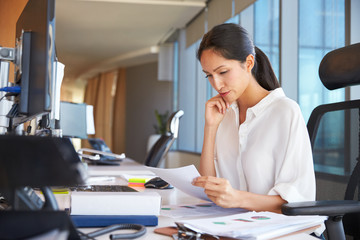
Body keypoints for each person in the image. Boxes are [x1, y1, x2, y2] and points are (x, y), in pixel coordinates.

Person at [192, 23, 316, 214]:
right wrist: (210, 127)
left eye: (223, 72)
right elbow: (207, 189)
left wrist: (237, 198)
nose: (216, 84)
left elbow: (297, 201)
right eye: (209, 75)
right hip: (235, 225)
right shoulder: (223, 114)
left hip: (278, 228)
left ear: (249, 63)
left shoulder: (285, 111)